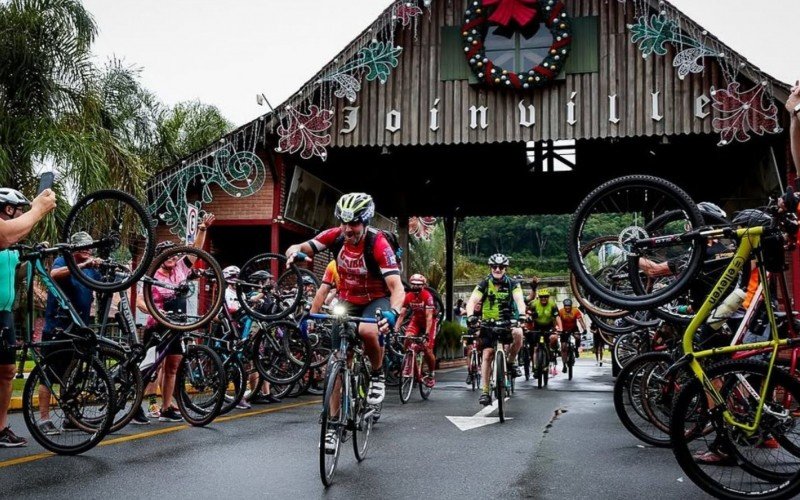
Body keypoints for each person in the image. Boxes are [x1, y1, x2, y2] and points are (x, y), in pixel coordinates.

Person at [286, 193, 404, 421]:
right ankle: (333, 420)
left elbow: (397, 287)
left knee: (367, 331)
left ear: (366, 222)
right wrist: (292, 253)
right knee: (337, 360)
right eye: (344, 222)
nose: (348, 229)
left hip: (374, 298)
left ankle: (377, 374)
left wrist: (394, 312)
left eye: (354, 223)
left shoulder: (378, 243)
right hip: (348, 300)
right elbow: (300, 246)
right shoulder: (335, 236)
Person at [37, 231, 119, 434]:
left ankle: (70, 417)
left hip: (80, 327)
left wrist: (110, 269)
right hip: (58, 327)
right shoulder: (62, 260)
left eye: (89, 246)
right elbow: (53, 275)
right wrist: (82, 265)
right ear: (73, 247)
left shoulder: (92, 267)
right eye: (82, 247)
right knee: (48, 375)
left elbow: (105, 284)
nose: (87, 250)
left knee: (72, 375)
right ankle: (43, 419)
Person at [136, 213, 214, 422]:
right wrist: (154, 311)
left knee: (172, 367)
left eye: (173, 255)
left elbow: (195, 252)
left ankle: (166, 407)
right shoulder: (151, 275)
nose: (171, 258)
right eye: (166, 255)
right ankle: (138, 405)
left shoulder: (180, 268)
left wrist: (202, 230)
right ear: (159, 258)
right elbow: (140, 302)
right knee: (151, 368)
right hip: (157, 326)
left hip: (176, 326)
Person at [0, 188, 56, 447]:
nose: (22, 214)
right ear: (7, 209)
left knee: (7, 372)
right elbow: (6, 233)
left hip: (5, 313)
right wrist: (37, 210)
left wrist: (34, 260)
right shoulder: (4, 235)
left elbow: (17, 276)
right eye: (18, 210)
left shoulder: (10, 247)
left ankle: (0, 428)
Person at [465, 253, 526, 406]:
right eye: (494, 266)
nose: (497, 269)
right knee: (487, 354)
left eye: (501, 267)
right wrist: (471, 316)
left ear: (505, 268)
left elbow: (519, 300)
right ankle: (485, 391)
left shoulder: (513, 283)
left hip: (507, 322)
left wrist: (522, 315)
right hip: (488, 324)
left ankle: (511, 363)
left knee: (519, 333)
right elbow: (472, 300)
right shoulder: (484, 284)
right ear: (490, 267)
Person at [394, 273, 437, 388]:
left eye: (418, 285)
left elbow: (429, 317)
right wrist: (396, 329)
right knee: (407, 338)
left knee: (427, 349)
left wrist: (427, 334)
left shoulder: (427, 296)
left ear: (423, 285)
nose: (416, 287)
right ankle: (408, 361)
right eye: (413, 285)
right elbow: (402, 314)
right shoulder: (408, 296)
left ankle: (431, 374)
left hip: (429, 322)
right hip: (416, 320)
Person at [527, 288, 561, 372]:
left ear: (548, 297)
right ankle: (535, 367)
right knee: (535, 347)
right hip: (537, 327)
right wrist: (528, 318)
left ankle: (551, 352)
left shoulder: (552, 304)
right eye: (541, 297)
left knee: (552, 338)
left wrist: (560, 328)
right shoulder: (534, 304)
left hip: (549, 326)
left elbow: (557, 317)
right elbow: (527, 313)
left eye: (545, 297)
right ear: (539, 297)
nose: (543, 299)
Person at [556, 298, 586, 366]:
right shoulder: (561, 311)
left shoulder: (575, 311)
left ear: (571, 306)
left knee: (578, 337)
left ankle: (576, 349)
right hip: (564, 329)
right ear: (564, 307)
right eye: (566, 308)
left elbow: (580, 320)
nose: (567, 309)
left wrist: (584, 329)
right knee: (563, 347)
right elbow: (557, 321)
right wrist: (557, 329)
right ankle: (564, 364)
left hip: (573, 328)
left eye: (569, 308)